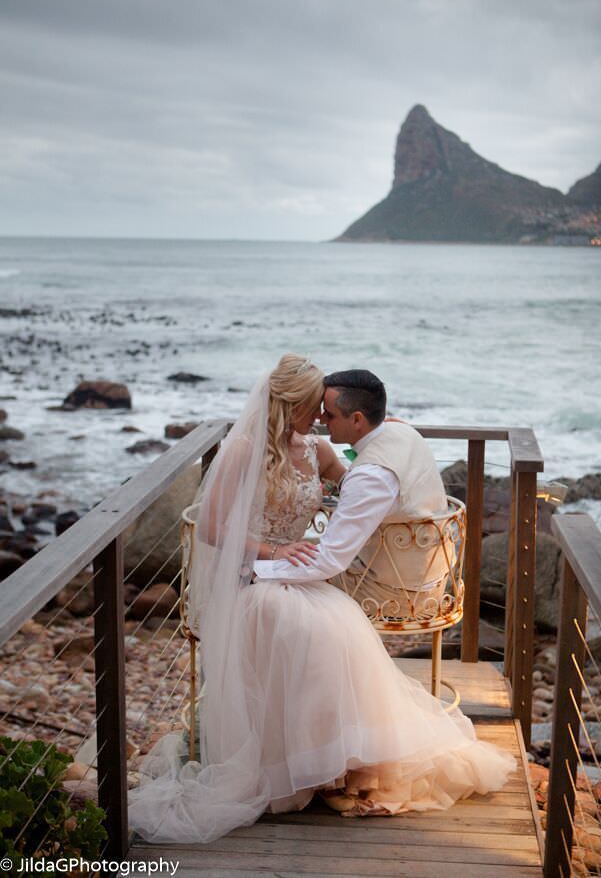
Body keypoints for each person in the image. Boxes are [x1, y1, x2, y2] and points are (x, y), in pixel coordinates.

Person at [128, 354, 515, 845]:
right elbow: (210, 527)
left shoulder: (314, 450)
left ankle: (328, 763)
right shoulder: (244, 449)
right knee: (304, 626)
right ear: (287, 405)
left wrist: (385, 498)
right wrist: (271, 552)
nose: (318, 419)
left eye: (324, 410)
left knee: (338, 625)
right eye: (313, 408)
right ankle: (295, 763)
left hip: (297, 574)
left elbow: (352, 487)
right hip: (252, 575)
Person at [254, 369, 452, 615]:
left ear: (357, 419)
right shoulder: (402, 431)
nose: (322, 420)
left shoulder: (371, 476)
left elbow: (327, 562)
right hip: (435, 574)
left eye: (330, 414)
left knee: (271, 597)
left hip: (391, 591)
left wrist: (259, 570)